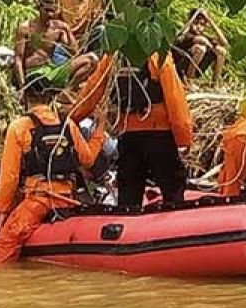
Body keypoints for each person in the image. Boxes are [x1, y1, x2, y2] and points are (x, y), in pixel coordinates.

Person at [0, 86, 107, 263]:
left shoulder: (19, 127)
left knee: (4, 245)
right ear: (51, 99)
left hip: (39, 199)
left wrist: (3, 210)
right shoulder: (68, 125)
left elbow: (9, 177)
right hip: (65, 196)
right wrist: (99, 130)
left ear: (24, 98)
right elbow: (88, 159)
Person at [70, 48, 192, 208]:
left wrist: (71, 118)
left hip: (128, 136)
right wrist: (183, 138)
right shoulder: (157, 55)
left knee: (129, 195)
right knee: (172, 191)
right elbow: (175, 99)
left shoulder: (114, 57)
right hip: (159, 135)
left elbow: (92, 91)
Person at [12, 0, 96, 92]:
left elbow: (74, 52)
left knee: (91, 59)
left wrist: (66, 31)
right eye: (46, 10)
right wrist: (22, 86)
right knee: (40, 78)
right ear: (38, 8)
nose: (50, 14)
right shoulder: (26, 28)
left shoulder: (58, 27)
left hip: (52, 71)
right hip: (34, 73)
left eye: (53, 10)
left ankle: (66, 92)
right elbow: (18, 58)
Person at [172, 8, 228, 84]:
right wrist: (210, 46)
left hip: (197, 69)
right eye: (195, 23)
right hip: (180, 70)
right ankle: (189, 80)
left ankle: (214, 83)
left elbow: (224, 42)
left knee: (221, 51)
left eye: (202, 24)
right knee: (200, 49)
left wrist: (210, 21)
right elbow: (200, 40)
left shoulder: (204, 36)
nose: (198, 27)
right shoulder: (185, 36)